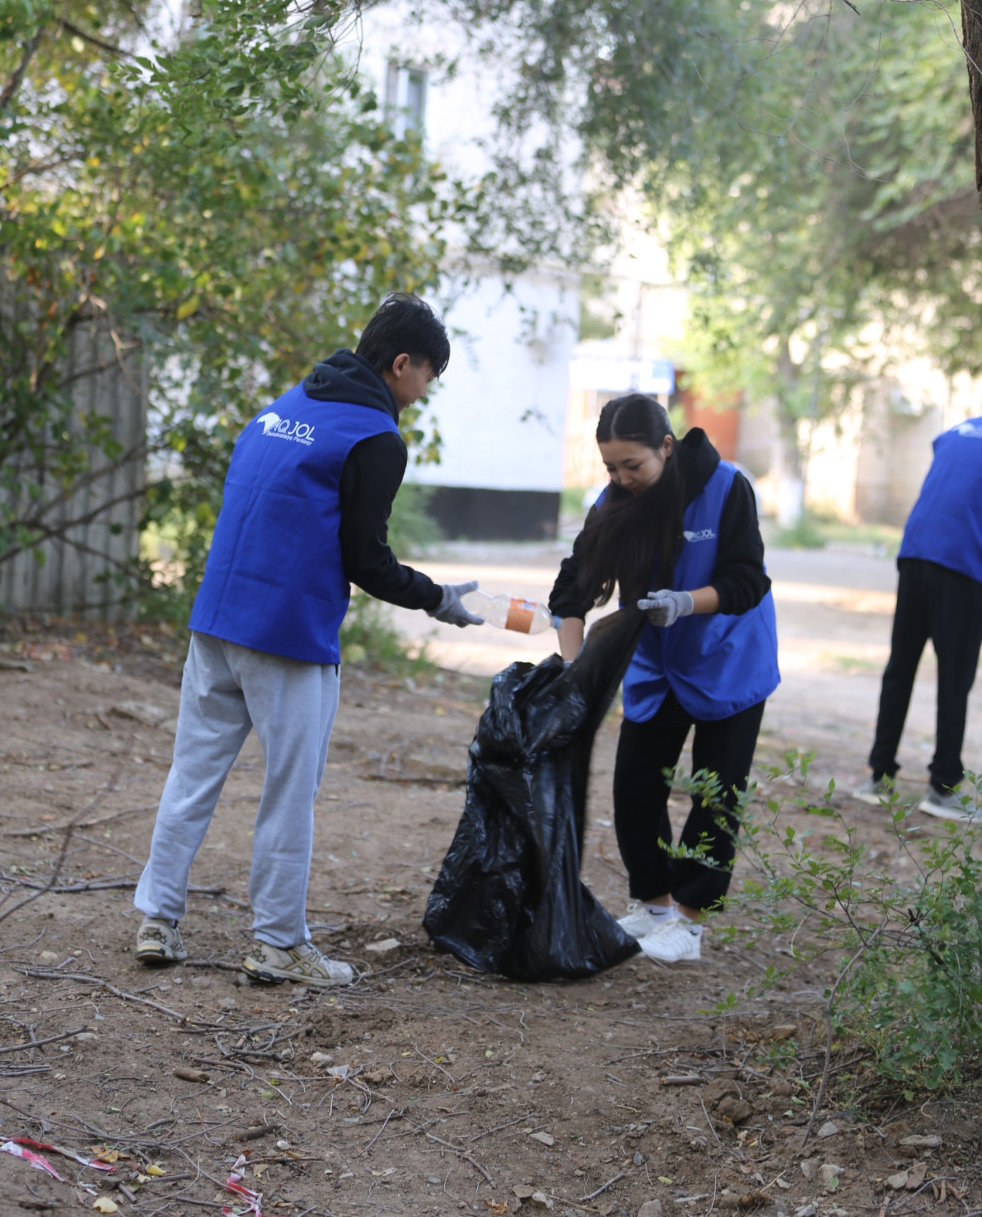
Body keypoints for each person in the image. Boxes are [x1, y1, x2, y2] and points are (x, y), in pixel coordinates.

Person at [133, 293, 483, 984]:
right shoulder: (375, 437)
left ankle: (157, 918)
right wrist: (438, 599)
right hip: (288, 635)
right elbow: (367, 561)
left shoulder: (282, 407)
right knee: (290, 790)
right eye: (428, 376)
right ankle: (278, 943)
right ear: (402, 363)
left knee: (191, 775)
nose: (424, 390)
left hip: (216, 620)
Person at [549, 394, 779, 965]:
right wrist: (573, 668)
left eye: (633, 465)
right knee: (635, 788)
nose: (622, 478)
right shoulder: (612, 502)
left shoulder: (727, 487)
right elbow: (572, 589)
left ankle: (690, 923)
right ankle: (653, 907)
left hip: (729, 659)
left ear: (667, 448)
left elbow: (748, 580)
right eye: (611, 467)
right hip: (658, 666)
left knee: (715, 794)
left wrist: (685, 602)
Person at [854, 417, 982, 820]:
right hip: (960, 564)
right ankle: (943, 788)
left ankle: (878, 777)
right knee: (955, 678)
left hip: (915, 553)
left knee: (901, 667)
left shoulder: (959, 430)